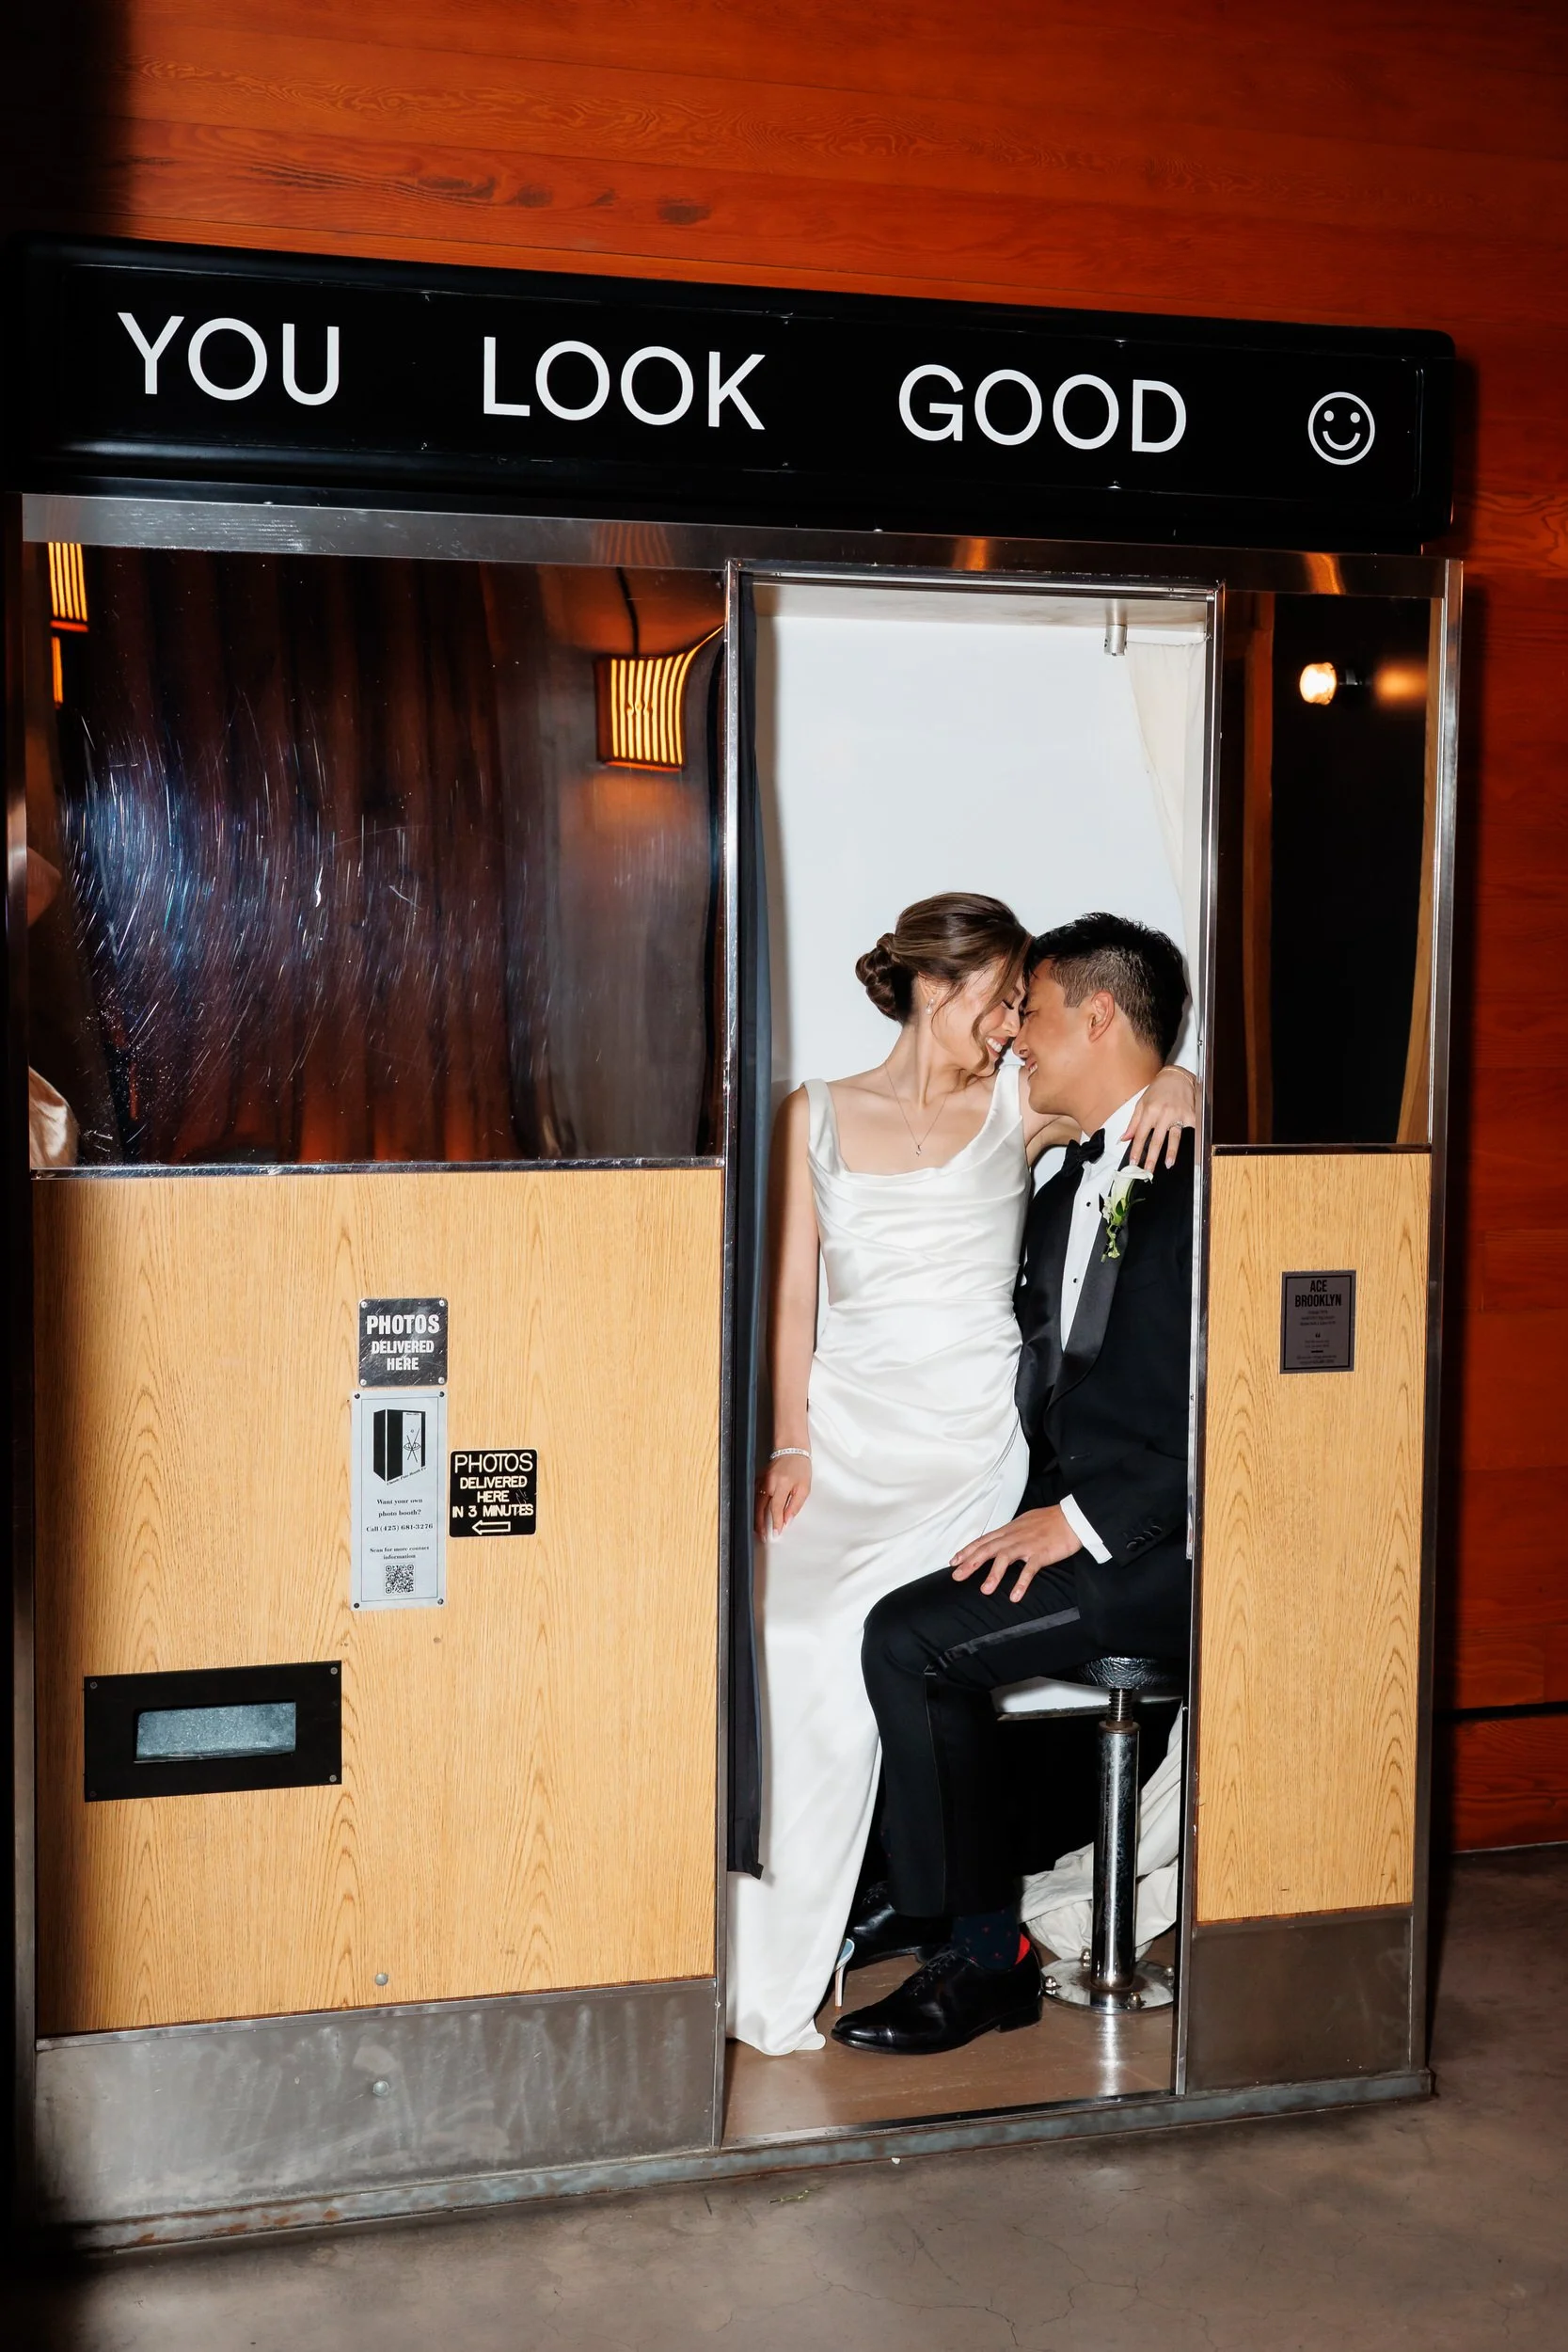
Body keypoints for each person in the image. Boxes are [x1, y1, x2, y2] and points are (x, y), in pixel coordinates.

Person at [727, 895, 1196, 2057]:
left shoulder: (1022, 1114)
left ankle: (951, 1939)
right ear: (938, 987)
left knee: (889, 1642)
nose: (1008, 1032)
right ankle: (820, 1915)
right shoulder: (815, 1114)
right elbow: (791, 1297)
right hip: (844, 1434)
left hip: (968, 1450)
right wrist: (786, 1440)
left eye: (1023, 1011)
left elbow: (1126, 1087)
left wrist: (1185, 1080)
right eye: (1000, 1003)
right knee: (779, 1641)